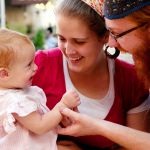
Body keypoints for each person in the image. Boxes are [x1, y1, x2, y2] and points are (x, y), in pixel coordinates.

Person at [32, 0, 150, 149]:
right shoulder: (37, 66)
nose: (68, 51)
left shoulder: (131, 78)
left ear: (104, 37)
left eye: (79, 42)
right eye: (61, 39)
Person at [0, 29, 80, 149]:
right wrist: (63, 104)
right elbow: (40, 126)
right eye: (29, 65)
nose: (36, 67)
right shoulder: (16, 101)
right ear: (4, 74)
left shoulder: (14, 93)